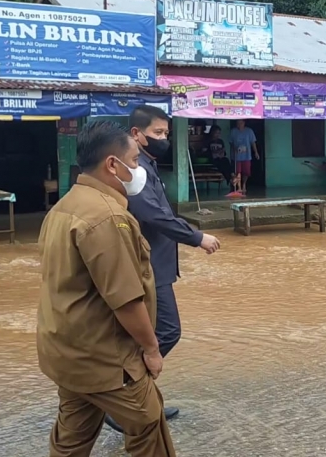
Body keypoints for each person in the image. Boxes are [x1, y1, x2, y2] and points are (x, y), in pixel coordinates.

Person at [37, 120, 176, 456]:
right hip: (105, 358)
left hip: (66, 352)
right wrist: (151, 350)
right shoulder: (107, 217)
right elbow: (126, 300)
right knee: (148, 421)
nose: (137, 169)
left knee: (72, 437)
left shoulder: (63, 208)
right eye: (133, 161)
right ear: (111, 165)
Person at [117, 105, 220, 432]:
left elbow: (160, 212)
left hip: (156, 263)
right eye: (158, 133)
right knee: (166, 331)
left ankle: (132, 399)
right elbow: (153, 215)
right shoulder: (136, 170)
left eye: (165, 133)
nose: (163, 139)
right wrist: (196, 236)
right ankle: (121, 397)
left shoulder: (146, 164)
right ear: (137, 134)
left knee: (144, 336)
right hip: (149, 267)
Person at [229, 119, 260, 194]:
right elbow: (231, 142)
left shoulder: (249, 131)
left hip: (246, 155)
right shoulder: (233, 131)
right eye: (237, 123)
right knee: (237, 172)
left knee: (246, 172)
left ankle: (244, 184)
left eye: (240, 123)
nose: (238, 125)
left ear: (243, 123)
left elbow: (253, 142)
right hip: (236, 156)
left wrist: (256, 152)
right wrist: (234, 148)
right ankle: (239, 187)